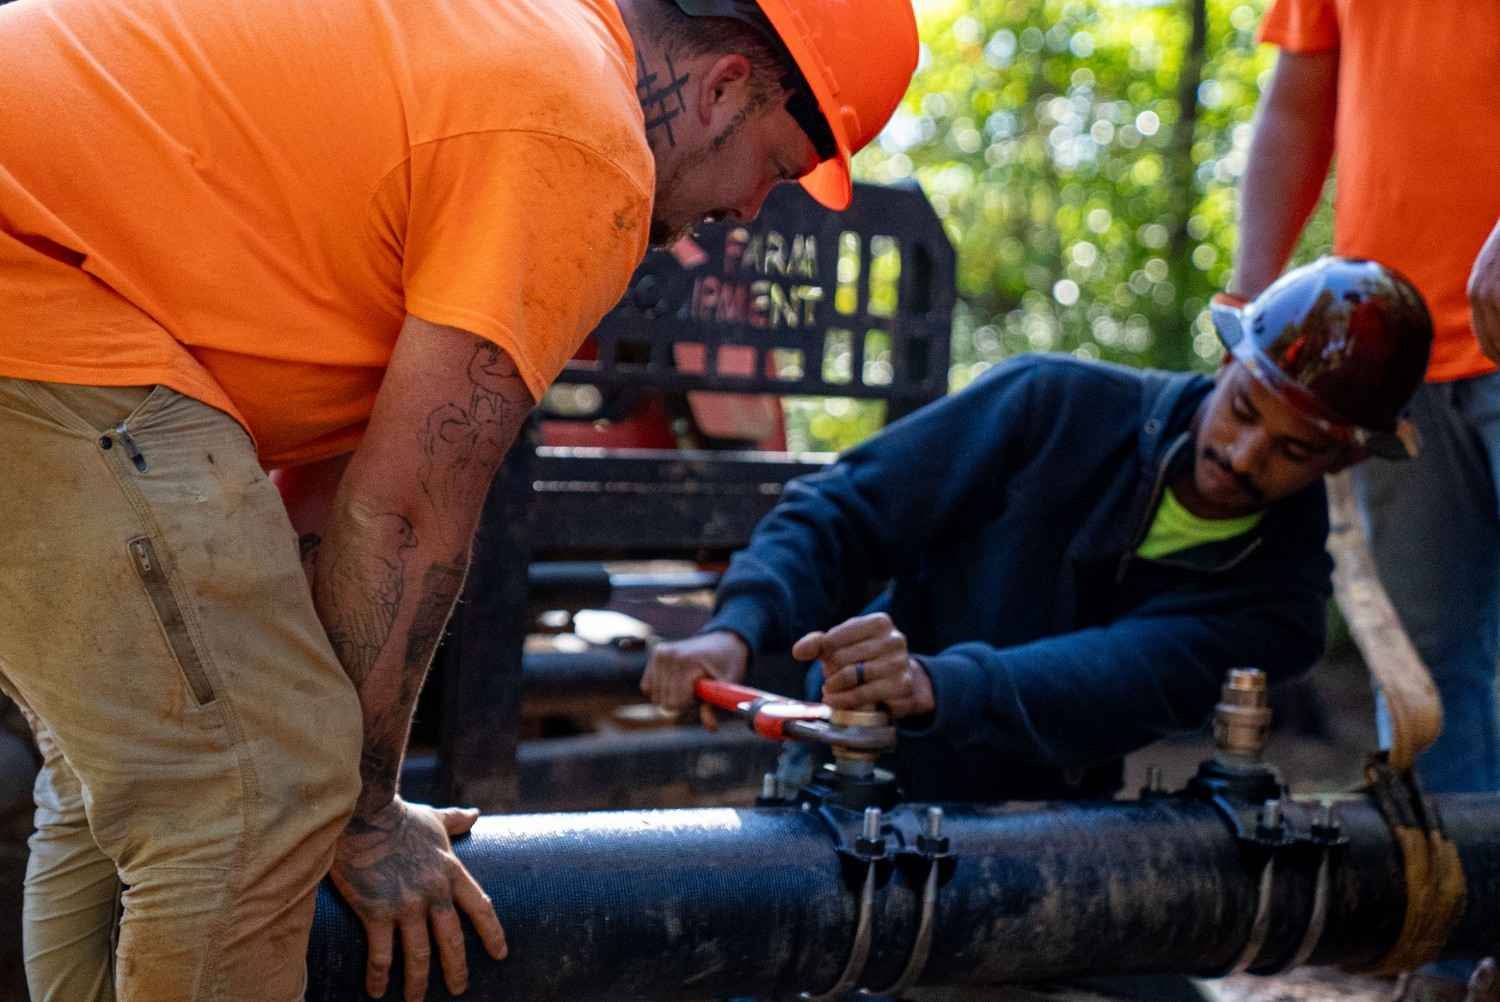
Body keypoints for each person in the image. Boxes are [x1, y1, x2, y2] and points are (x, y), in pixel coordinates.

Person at [0, 0, 918, 999]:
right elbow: (405, 516)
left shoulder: (519, 41)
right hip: (36, 285)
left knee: (174, 748)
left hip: (59, 277)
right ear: (725, 87)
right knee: (260, 790)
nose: (748, 212)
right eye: (775, 170)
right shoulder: (587, 138)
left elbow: (338, 489)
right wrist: (362, 814)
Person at [642, 256, 1431, 808]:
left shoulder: (1280, 608)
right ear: (1225, 365)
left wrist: (934, 683)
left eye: (1294, 450)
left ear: (1345, 459)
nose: (1244, 455)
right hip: (855, 779)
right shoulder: (1050, 406)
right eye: (1244, 411)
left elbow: (1119, 672)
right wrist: (736, 629)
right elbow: (845, 509)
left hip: (1050, 827)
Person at [1231, 4, 1500, 997]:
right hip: (1392, 354)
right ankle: (1457, 954)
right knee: (1423, 677)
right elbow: (1301, 95)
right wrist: (1251, 306)